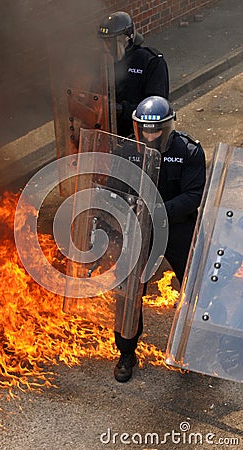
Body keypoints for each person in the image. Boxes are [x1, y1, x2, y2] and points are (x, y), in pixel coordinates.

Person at [112, 95, 206, 382]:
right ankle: (126, 352)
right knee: (129, 292)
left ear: (168, 128)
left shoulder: (188, 151)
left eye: (156, 130)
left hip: (177, 228)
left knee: (192, 286)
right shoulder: (127, 150)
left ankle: (191, 348)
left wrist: (157, 211)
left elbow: (193, 196)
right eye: (145, 130)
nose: (150, 136)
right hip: (141, 229)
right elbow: (114, 187)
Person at [98, 11, 169, 137]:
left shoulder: (150, 62)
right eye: (104, 41)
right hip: (107, 133)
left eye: (110, 41)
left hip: (139, 135)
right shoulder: (104, 63)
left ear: (126, 39)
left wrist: (121, 110)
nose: (106, 47)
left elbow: (156, 109)